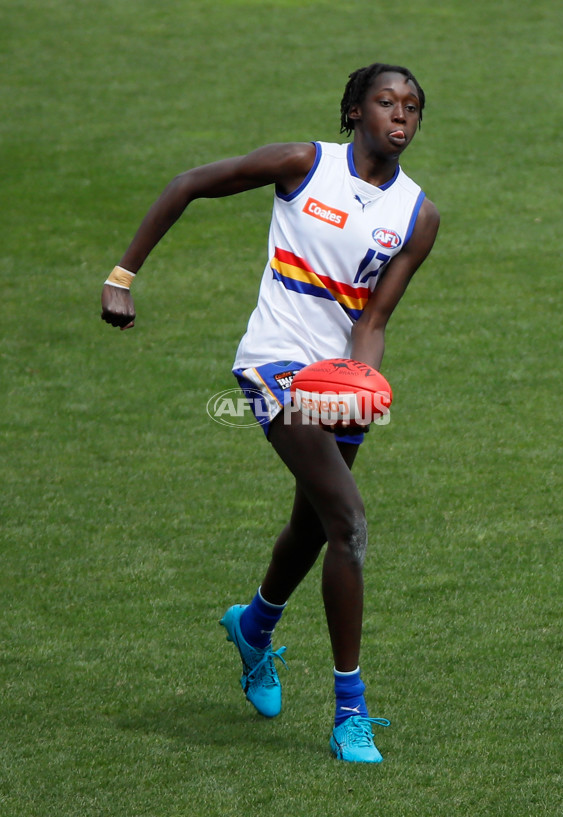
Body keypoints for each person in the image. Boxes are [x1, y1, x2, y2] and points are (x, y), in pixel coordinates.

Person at [101, 62, 440, 763]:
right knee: (349, 523)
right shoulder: (302, 165)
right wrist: (122, 277)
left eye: (411, 107)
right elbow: (188, 183)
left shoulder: (417, 215)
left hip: (337, 379)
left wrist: (363, 377)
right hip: (273, 363)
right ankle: (351, 711)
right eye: (385, 102)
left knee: (311, 523)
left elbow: (374, 317)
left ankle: (254, 625)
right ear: (354, 112)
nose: (399, 116)